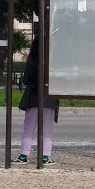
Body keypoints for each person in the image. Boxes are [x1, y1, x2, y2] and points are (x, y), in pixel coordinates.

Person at [16, 31, 59, 165]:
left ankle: (23, 155)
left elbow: (26, 79)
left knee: (28, 128)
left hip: (34, 96)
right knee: (47, 129)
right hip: (50, 97)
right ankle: (45, 156)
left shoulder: (33, 58)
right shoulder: (54, 58)